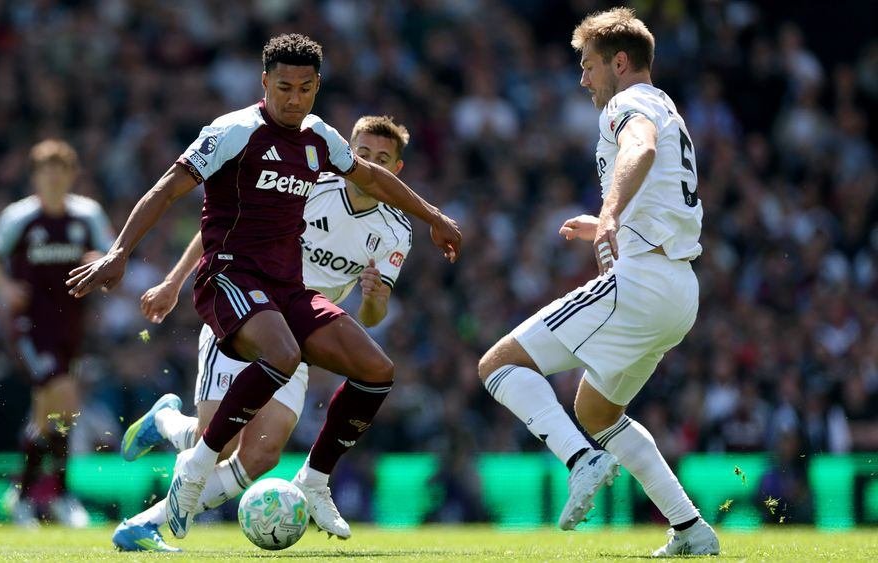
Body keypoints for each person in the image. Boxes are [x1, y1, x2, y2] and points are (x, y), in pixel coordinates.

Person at [66, 34, 461, 542]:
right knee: (250, 399)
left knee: (365, 379)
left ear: (317, 87)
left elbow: (373, 179)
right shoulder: (233, 131)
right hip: (231, 279)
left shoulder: (320, 140)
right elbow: (167, 188)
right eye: (283, 87)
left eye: (305, 88)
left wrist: (433, 217)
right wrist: (125, 253)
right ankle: (193, 467)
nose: (294, 100)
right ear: (264, 82)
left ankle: (302, 481)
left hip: (286, 293)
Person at [477, 7, 719, 556]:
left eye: (588, 65)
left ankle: (581, 461)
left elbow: (640, 149)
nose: (583, 79)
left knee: (498, 366)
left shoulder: (627, 104)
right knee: (596, 412)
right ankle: (690, 529)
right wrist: (613, 222)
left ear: (620, 62)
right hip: (680, 290)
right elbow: (659, 179)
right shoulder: (665, 105)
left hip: (641, 282)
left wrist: (610, 213)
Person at [111, 115, 414, 552]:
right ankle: (166, 421)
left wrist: (373, 298)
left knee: (261, 455)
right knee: (215, 441)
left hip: (300, 332)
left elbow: (371, 316)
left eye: (382, 160)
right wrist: (174, 282)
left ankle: (143, 524)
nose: (370, 164)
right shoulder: (312, 185)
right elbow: (226, 228)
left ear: (396, 169)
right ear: (349, 153)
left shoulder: (396, 229)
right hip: (246, 308)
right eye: (362, 153)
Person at [0, 139, 113, 527]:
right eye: (46, 170)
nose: (53, 177)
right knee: (64, 398)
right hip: (31, 327)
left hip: (70, 326)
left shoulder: (87, 214)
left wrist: (99, 262)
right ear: (35, 176)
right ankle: (62, 495)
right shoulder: (20, 217)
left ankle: (23, 494)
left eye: (60, 169)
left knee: (51, 415)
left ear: (72, 175)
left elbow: (109, 255)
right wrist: (6, 288)